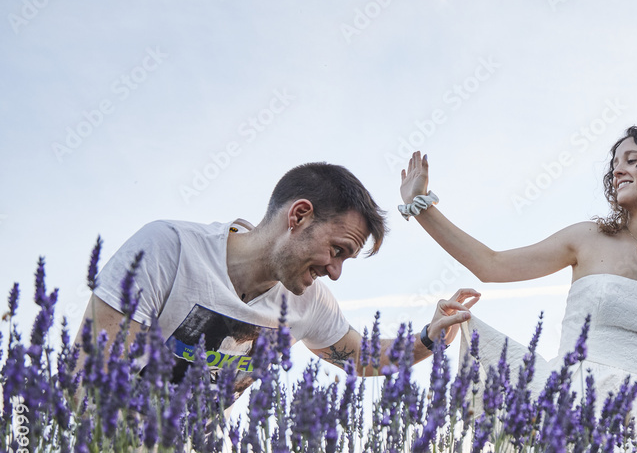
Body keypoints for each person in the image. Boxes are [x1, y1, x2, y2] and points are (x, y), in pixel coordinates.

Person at [397, 127, 637, 453]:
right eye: (615, 163)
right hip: (568, 408)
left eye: (632, 161)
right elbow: (491, 264)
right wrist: (421, 207)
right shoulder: (587, 239)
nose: (618, 170)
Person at [77, 162, 480, 407]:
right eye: (337, 251)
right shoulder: (169, 248)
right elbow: (87, 376)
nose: (335, 271)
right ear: (299, 216)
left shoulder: (309, 302)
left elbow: (361, 358)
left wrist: (429, 337)